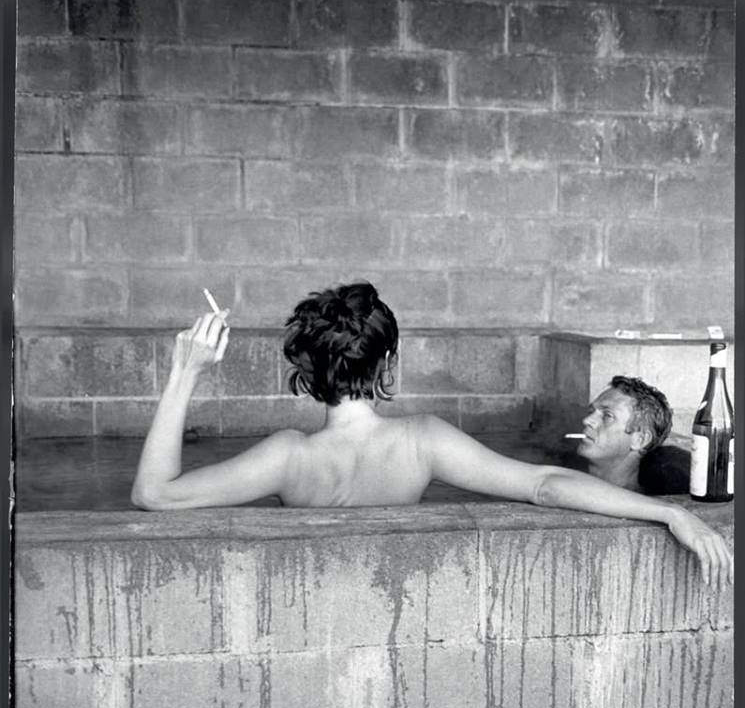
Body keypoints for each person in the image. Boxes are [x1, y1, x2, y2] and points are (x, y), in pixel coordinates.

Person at [131, 281, 731, 587]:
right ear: (387, 364)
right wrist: (669, 513)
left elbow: (154, 494)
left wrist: (186, 371)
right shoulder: (422, 442)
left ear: (308, 373)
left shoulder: (285, 457)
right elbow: (545, 486)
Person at [573, 375, 688, 494]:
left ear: (640, 440)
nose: (587, 420)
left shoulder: (650, 502)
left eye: (607, 415)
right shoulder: (569, 476)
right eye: (591, 411)